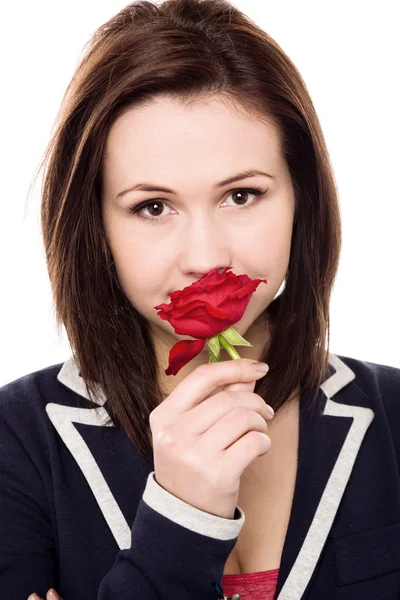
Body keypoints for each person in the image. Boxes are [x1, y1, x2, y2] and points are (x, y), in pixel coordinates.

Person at [1, 0, 399, 599]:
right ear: (95, 228)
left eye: (241, 195)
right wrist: (182, 518)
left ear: (301, 199)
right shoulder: (15, 440)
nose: (207, 256)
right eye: (153, 207)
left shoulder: (394, 414)